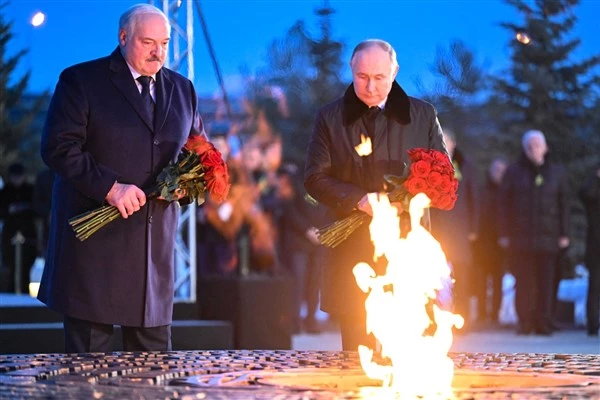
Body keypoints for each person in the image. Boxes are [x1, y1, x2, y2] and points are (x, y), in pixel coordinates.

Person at [38, 4, 204, 353]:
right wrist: (110, 187)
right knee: (87, 376)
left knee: (154, 376)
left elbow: (199, 154)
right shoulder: (81, 81)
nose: (158, 52)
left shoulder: (183, 89)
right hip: (94, 254)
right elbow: (58, 148)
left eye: (165, 42)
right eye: (148, 42)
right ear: (123, 37)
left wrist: (189, 184)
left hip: (152, 261)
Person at [304, 39, 448, 351]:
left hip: (407, 250)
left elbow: (443, 174)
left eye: (379, 78)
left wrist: (411, 196)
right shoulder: (330, 118)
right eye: (362, 77)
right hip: (352, 255)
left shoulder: (422, 115)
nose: (370, 87)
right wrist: (358, 199)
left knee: (408, 354)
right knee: (359, 354)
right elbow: (314, 178)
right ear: (352, 71)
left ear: (395, 72)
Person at [498, 130, 570, 336]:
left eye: (538, 145)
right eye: (530, 145)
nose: (534, 149)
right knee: (524, 282)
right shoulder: (513, 172)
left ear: (545, 148)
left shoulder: (556, 172)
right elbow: (503, 204)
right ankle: (525, 323)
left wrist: (564, 234)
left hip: (549, 238)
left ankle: (543, 322)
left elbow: (564, 204)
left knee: (546, 283)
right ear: (524, 148)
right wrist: (504, 232)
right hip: (521, 239)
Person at [430, 129, 479, 330]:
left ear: (453, 143)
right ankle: (434, 321)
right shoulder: (429, 165)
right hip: (437, 230)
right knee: (434, 278)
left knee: (461, 278)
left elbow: (474, 199)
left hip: (460, 230)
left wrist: (474, 228)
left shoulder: (465, 168)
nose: (443, 144)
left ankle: (461, 320)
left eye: (447, 140)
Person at [473, 157, 508, 325]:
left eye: (502, 170)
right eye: (496, 170)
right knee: (481, 279)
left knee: (498, 280)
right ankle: (481, 314)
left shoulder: (508, 191)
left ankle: (495, 314)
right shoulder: (482, 190)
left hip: (500, 243)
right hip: (483, 242)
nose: (499, 174)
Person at [0, 163, 37, 294]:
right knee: (10, 266)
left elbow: (37, 209)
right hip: (10, 233)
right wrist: (10, 210)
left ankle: (24, 292)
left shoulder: (30, 191)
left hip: (27, 232)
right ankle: (10, 292)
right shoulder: (5, 192)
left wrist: (25, 208)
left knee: (26, 266)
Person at [579, 163, 600, 337]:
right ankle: (593, 324)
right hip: (596, 245)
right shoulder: (593, 188)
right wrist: (597, 177)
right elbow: (585, 194)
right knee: (595, 287)